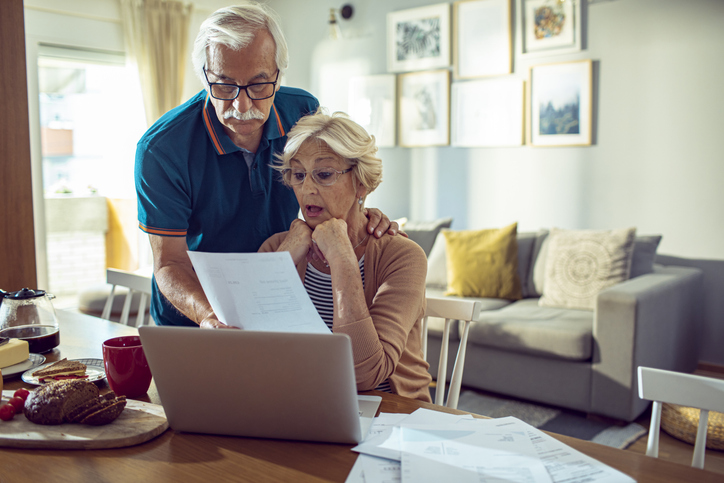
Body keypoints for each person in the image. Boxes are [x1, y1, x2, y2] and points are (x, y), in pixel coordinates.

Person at [135, 3, 398, 328]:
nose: (241, 105)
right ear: (204, 78)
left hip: (277, 300)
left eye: (259, 85)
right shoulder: (161, 149)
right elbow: (169, 264)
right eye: (225, 85)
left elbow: (332, 183)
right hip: (195, 318)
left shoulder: (303, 111)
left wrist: (362, 211)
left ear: (279, 73)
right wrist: (211, 319)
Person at [259, 109, 432, 402]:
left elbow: (364, 375)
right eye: (299, 175)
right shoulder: (277, 248)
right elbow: (250, 355)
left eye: (324, 174)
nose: (307, 188)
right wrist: (285, 258)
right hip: (303, 405)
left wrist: (341, 256)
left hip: (391, 414)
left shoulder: (403, 256)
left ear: (361, 183)